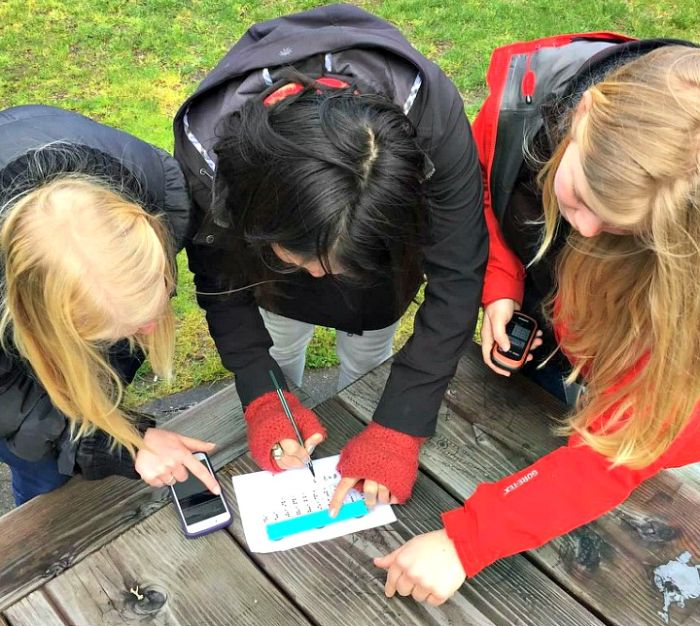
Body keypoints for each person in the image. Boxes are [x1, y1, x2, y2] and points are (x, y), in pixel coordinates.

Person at [373, 39, 700, 605]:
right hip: (559, 340)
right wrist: (503, 285)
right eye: (580, 197)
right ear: (585, 112)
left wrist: (467, 540)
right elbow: (476, 185)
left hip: (625, 383)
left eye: (625, 227)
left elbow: (625, 444)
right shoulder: (520, 104)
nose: (588, 231)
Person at [173, 3, 487, 509]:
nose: (321, 275)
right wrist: (261, 390)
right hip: (270, 282)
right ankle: (288, 393)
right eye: (306, 258)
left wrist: (399, 424)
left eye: (333, 264)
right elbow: (218, 274)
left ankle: (360, 395)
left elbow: (460, 268)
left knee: (368, 352)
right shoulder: (209, 157)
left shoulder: (431, 118)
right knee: (282, 338)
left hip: (381, 280)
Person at [0, 105, 221, 505]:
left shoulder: (158, 187)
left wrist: (125, 434)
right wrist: (123, 444)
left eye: (154, 300)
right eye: (117, 330)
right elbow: (13, 409)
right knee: (43, 476)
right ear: (37, 322)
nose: (153, 331)